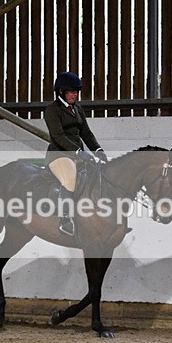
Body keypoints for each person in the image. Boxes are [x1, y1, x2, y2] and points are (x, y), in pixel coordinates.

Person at [43, 72, 108, 237]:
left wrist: (98, 150)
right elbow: (58, 136)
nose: (75, 94)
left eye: (76, 91)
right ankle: (65, 220)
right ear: (61, 92)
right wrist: (78, 152)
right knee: (70, 179)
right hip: (59, 155)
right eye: (71, 91)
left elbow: (86, 132)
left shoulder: (77, 108)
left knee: (99, 174)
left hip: (77, 155)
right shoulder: (52, 110)